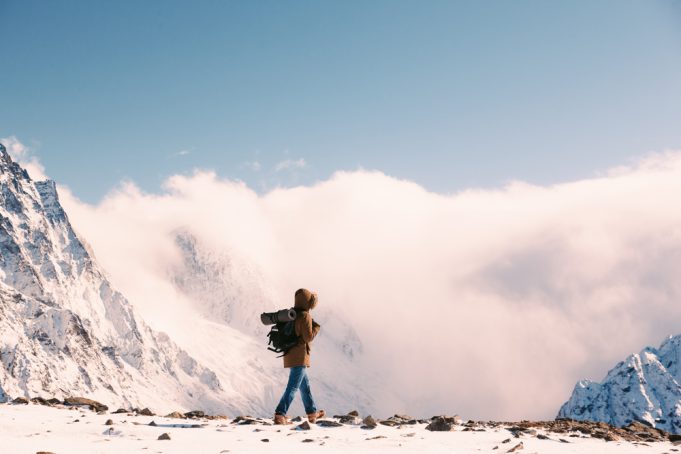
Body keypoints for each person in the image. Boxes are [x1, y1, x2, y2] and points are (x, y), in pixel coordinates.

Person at [273, 288, 325, 424]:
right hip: (300, 355)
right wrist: (316, 328)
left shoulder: (291, 314)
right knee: (293, 387)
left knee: (304, 386)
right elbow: (308, 337)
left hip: (290, 354)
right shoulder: (305, 316)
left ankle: (312, 413)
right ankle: (280, 413)